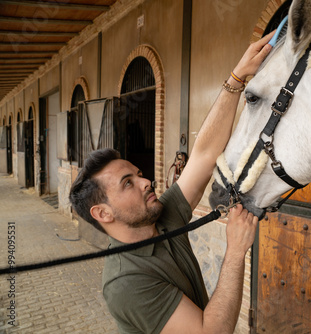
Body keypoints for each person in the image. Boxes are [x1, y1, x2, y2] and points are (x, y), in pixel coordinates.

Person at [69, 32, 274, 334]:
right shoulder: (126, 282)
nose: (146, 182)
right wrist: (234, 252)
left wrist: (236, 78)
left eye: (138, 174)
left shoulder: (160, 218)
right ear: (103, 213)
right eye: (128, 183)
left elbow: (204, 155)